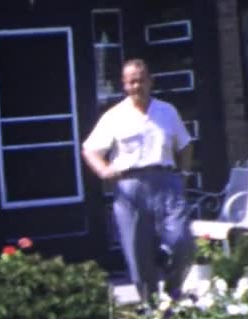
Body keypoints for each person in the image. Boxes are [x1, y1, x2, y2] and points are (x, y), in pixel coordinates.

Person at [81, 58, 195, 303]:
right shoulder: (114, 116)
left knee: (182, 242)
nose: (137, 86)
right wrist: (103, 170)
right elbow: (90, 149)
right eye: (131, 82)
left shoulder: (167, 111)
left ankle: (173, 292)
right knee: (137, 254)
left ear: (150, 82)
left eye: (141, 80)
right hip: (130, 187)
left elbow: (185, 146)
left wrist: (183, 176)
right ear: (124, 85)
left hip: (167, 183)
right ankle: (151, 306)